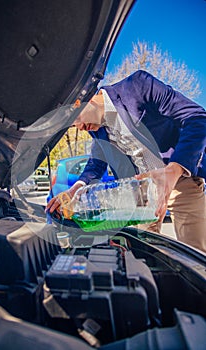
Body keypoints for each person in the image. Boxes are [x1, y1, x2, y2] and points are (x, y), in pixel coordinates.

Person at [46, 70, 206, 253]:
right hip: (143, 191)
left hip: (180, 181)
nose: (80, 128)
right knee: (144, 252)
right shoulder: (96, 128)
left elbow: (197, 118)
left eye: (77, 121)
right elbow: (97, 162)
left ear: (79, 101)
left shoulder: (138, 85)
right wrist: (75, 188)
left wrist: (172, 171)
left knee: (195, 254)